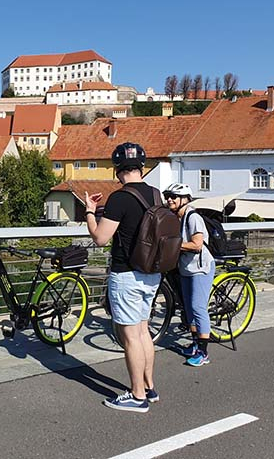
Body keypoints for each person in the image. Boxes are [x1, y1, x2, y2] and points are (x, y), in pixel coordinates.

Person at [85, 142, 160, 413]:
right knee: (143, 332)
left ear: (118, 169)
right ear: (141, 166)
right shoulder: (156, 195)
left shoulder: (119, 198)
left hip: (126, 274)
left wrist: (90, 213)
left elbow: (101, 239)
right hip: (152, 272)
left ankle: (137, 395)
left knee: (130, 337)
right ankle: (149, 387)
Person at [164, 182, 215, 367]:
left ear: (185, 199)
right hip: (186, 268)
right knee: (189, 308)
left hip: (200, 269)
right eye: (167, 196)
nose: (169, 199)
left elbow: (197, 244)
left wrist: (173, 246)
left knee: (198, 307)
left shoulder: (193, 217)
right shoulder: (177, 217)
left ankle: (203, 353)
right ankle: (195, 344)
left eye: (173, 196)